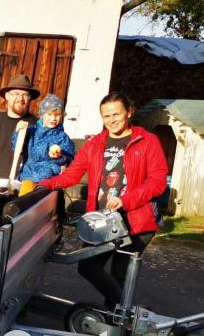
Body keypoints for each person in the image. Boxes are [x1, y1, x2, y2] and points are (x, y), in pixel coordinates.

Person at [39, 92, 167, 309]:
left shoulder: (148, 141)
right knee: (87, 267)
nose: (111, 120)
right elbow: (73, 174)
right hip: (102, 220)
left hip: (136, 219)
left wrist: (126, 200)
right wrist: (45, 184)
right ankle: (123, 313)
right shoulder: (95, 144)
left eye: (116, 114)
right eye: (106, 116)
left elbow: (158, 182)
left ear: (129, 112)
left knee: (119, 274)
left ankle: (115, 321)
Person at [12, 93, 75, 182]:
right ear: (42, 115)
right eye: (49, 114)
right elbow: (17, 148)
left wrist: (59, 157)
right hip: (26, 175)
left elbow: (69, 161)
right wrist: (18, 132)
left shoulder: (62, 137)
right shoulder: (31, 131)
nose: (53, 118)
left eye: (57, 115)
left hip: (47, 181)